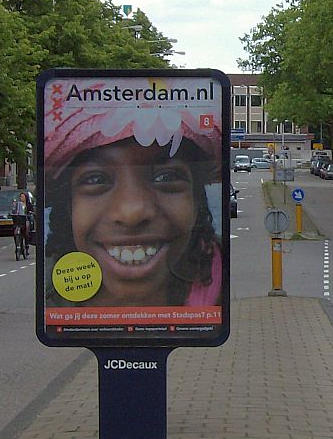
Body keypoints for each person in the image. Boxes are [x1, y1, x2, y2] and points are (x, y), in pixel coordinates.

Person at [43, 100, 223, 308]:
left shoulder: (223, 278)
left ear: (196, 201)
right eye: (95, 180)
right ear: (69, 208)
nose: (132, 214)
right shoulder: (50, 294)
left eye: (166, 177)